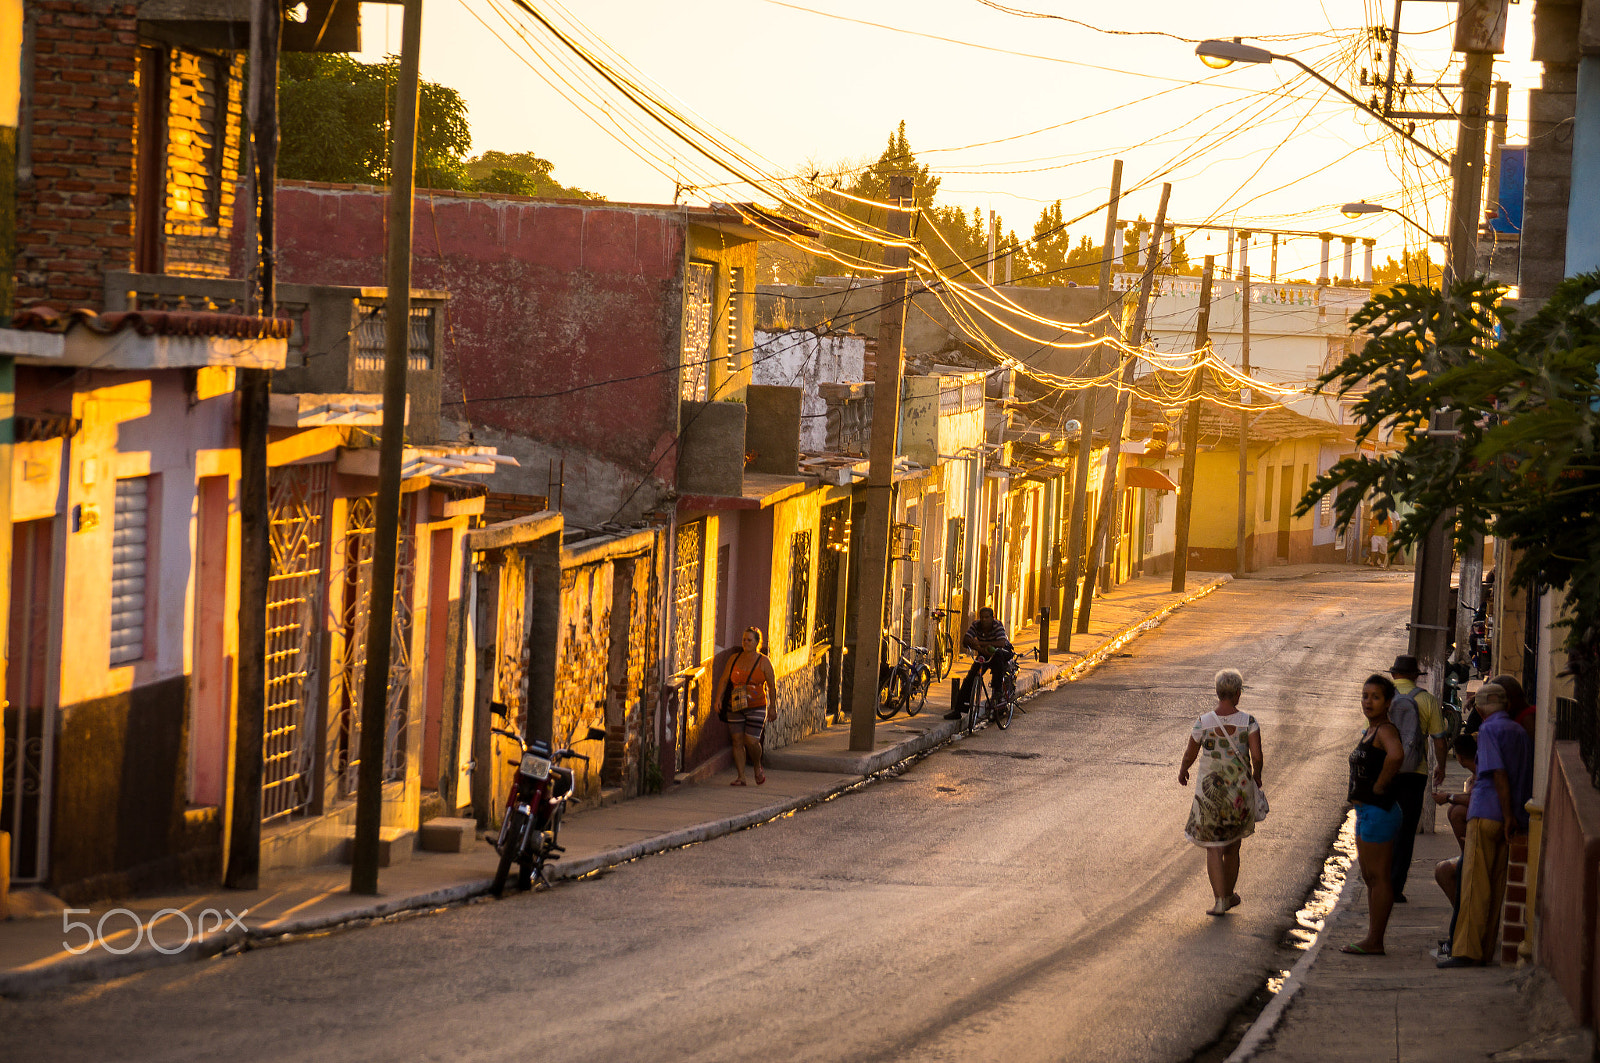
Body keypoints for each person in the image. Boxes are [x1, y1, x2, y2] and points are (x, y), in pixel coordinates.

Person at [1438, 681, 1533, 968]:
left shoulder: (1490, 730)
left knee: (1473, 887)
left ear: (1480, 708)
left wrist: (1504, 815)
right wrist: (1512, 816)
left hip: (1487, 812)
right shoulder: (1519, 730)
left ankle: (1466, 951)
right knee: (1494, 887)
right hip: (1513, 816)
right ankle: (1485, 948)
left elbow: (1498, 774)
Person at [1178, 668, 1265, 916]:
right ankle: (1228, 895)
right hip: (1238, 792)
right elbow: (1257, 757)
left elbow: (1190, 753)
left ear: (1218, 693)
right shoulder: (1248, 722)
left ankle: (1219, 901)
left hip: (1209, 795)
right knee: (1232, 846)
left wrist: (1183, 770)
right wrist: (1256, 776)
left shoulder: (1203, 722)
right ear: (1237, 694)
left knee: (1213, 847)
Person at [1341, 673, 1405, 956]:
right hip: (1366, 811)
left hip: (1380, 811)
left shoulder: (1385, 731)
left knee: (1378, 877)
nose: (1368, 702)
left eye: (1375, 697)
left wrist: (1380, 784)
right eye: (1365, 696)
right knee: (1370, 876)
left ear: (1388, 702)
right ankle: (1372, 937)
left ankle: (1375, 940)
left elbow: (1396, 755)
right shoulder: (1371, 730)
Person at [1387, 654, 1448, 903]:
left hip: (1385, 772)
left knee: (1383, 828)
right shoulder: (1427, 700)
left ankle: (1378, 885)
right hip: (1415, 773)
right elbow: (1439, 739)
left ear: (1394, 675)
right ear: (1415, 676)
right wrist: (1440, 766)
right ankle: (1395, 887)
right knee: (1406, 831)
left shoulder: (1383, 697)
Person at [712, 626, 777, 787]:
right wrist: (718, 699)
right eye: (744, 640)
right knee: (737, 740)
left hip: (756, 705)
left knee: (751, 741)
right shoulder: (734, 658)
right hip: (735, 705)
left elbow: (771, 685)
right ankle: (741, 777)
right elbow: (724, 679)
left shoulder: (764, 662)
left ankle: (756, 765)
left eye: (749, 640)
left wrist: (773, 707)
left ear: (757, 643)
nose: (745, 643)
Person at [945, 607, 1013, 720]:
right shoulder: (976, 625)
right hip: (984, 653)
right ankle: (958, 710)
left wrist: (979, 643)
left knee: (998, 658)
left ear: (992, 618)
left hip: (1001, 652)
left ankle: (998, 691)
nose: (984, 620)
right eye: (982, 617)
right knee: (970, 679)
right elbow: (966, 640)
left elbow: (1001, 643)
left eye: (987, 617)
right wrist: (981, 649)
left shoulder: (997, 625)